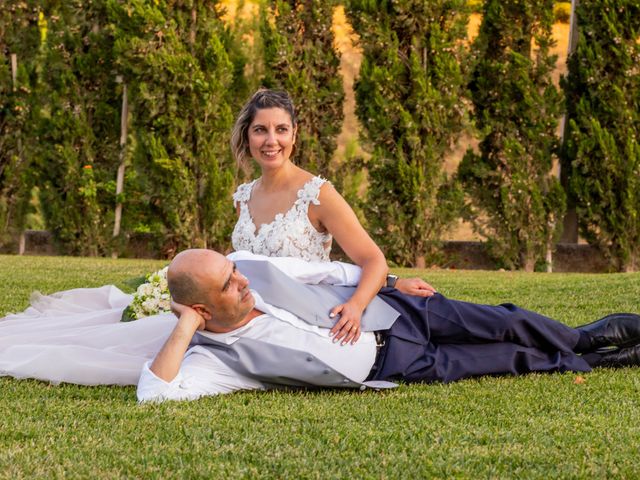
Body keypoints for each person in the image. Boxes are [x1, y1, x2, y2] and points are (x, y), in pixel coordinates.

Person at [136, 248, 640, 402]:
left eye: (233, 272)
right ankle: (602, 359)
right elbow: (153, 395)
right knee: (510, 359)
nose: (241, 281)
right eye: (227, 285)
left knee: (507, 320)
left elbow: (333, 271)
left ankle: (590, 336)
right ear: (201, 310)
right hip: (397, 362)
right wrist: (185, 327)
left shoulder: (253, 266)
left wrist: (391, 282)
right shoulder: (216, 361)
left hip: (396, 313)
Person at [229, 89, 435, 346]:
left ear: (294, 132)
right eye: (260, 130)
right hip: (255, 326)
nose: (271, 140)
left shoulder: (317, 195)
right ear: (248, 135)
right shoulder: (242, 198)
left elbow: (373, 260)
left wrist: (357, 306)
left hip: (308, 322)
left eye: (281, 129)